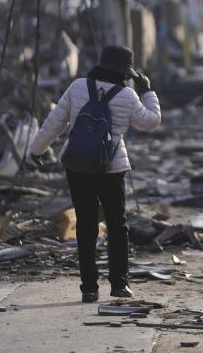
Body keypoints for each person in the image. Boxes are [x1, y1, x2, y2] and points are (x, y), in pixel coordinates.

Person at [28, 45, 161, 303]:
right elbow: (151, 121)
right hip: (111, 168)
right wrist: (148, 91)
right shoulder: (128, 96)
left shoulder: (78, 87)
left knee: (86, 224)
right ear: (126, 72)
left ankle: (89, 288)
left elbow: (55, 122)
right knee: (117, 224)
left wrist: (37, 150)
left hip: (77, 164)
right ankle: (119, 285)